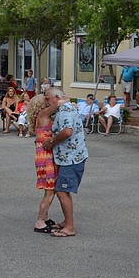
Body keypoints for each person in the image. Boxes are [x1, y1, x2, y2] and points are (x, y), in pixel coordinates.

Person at [41, 88, 87, 238]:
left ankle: (70, 227)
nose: (47, 102)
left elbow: (67, 131)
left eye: (48, 99)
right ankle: (67, 221)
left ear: (56, 97)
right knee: (63, 190)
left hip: (71, 158)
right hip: (67, 156)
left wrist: (52, 141)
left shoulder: (66, 109)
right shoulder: (64, 108)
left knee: (62, 191)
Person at [28, 94, 60, 233]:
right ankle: (40, 221)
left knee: (49, 189)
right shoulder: (43, 114)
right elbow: (60, 104)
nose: (48, 102)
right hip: (46, 156)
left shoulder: (40, 117)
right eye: (45, 100)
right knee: (50, 190)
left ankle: (45, 217)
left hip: (43, 154)